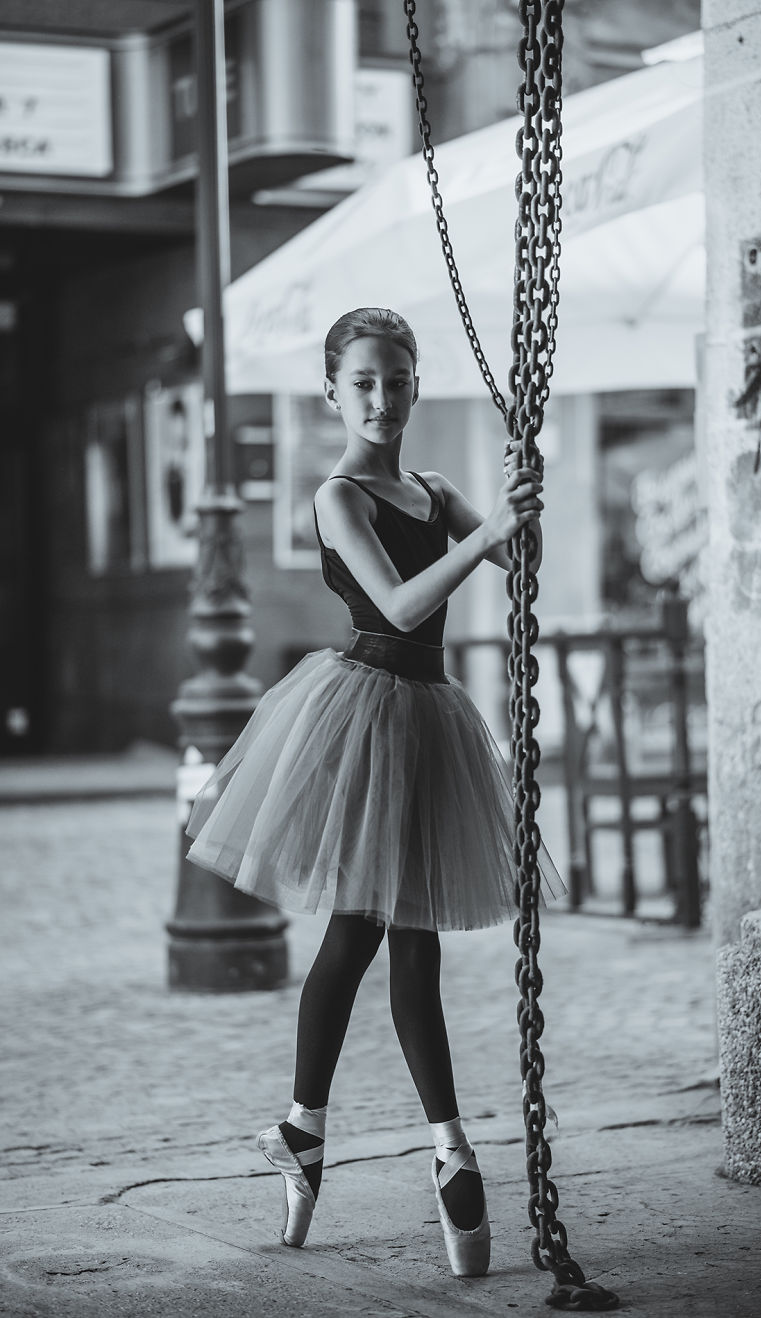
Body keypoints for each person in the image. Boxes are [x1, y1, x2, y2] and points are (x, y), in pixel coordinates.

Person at [185, 307, 563, 1278]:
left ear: (414, 383)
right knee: (361, 933)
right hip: (362, 711)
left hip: (428, 716)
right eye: (363, 382)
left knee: (404, 939)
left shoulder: (434, 487)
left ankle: (364, 1137)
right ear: (332, 392)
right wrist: (485, 543)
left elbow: (519, 560)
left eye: (396, 379)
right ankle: (410, 1145)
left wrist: (520, 504)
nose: (383, 397)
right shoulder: (336, 494)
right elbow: (398, 603)